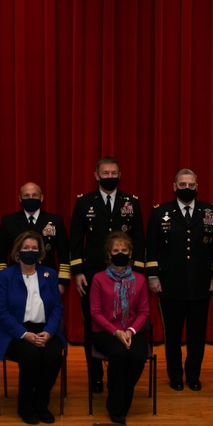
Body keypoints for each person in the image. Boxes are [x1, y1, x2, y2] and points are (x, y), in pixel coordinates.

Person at [70, 157, 145, 394]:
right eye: (105, 172)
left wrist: (139, 274)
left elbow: (139, 238)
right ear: (96, 175)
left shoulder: (130, 202)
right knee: (93, 324)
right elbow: (75, 239)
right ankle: (96, 376)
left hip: (127, 274)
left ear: (120, 174)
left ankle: (120, 368)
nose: (110, 176)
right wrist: (78, 271)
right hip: (93, 275)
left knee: (127, 318)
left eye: (114, 173)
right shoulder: (84, 203)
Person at [147, 168, 213, 391]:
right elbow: (151, 248)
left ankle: (193, 375)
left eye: (191, 185)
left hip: (201, 284)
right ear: (174, 186)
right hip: (170, 284)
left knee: (197, 335)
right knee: (172, 335)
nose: (187, 189)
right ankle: (175, 376)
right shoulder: (160, 212)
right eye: (183, 185)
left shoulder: (210, 212)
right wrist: (153, 276)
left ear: (197, 186)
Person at [0, 231, 66, 425]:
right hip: (15, 331)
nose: (30, 252)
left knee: (53, 356)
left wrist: (48, 332)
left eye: (34, 248)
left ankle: (41, 402)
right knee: (31, 356)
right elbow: (2, 311)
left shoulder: (50, 274)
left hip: (45, 329)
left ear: (40, 251)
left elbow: (57, 307)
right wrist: (24, 334)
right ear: (18, 251)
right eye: (26, 248)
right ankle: (25, 405)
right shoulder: (5, 276)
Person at [89, 231, 150, 424]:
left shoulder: (140, 279)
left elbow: (144, 312)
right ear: (109, 254)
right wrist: (116, 331)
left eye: (124, 250)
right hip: (105, 331)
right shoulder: (98, 278)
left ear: (131, 254)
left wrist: (130, 331)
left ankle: (121, 392)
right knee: (119, 354)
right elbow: (96, 313)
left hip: (132, 330)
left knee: (138, 355)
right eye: (116, 250)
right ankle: (116, 405)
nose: (120, 253)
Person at [0, 181, 71, 292]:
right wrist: (4, 280)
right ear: (20, 198)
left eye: (34, 195)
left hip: (46, 279)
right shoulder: (9, 221)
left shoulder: (55, 221)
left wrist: (62, 282)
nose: (31, 198)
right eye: (26, 196)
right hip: (16, 279)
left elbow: (64, 253)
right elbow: (0, 255)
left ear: (41, 198)